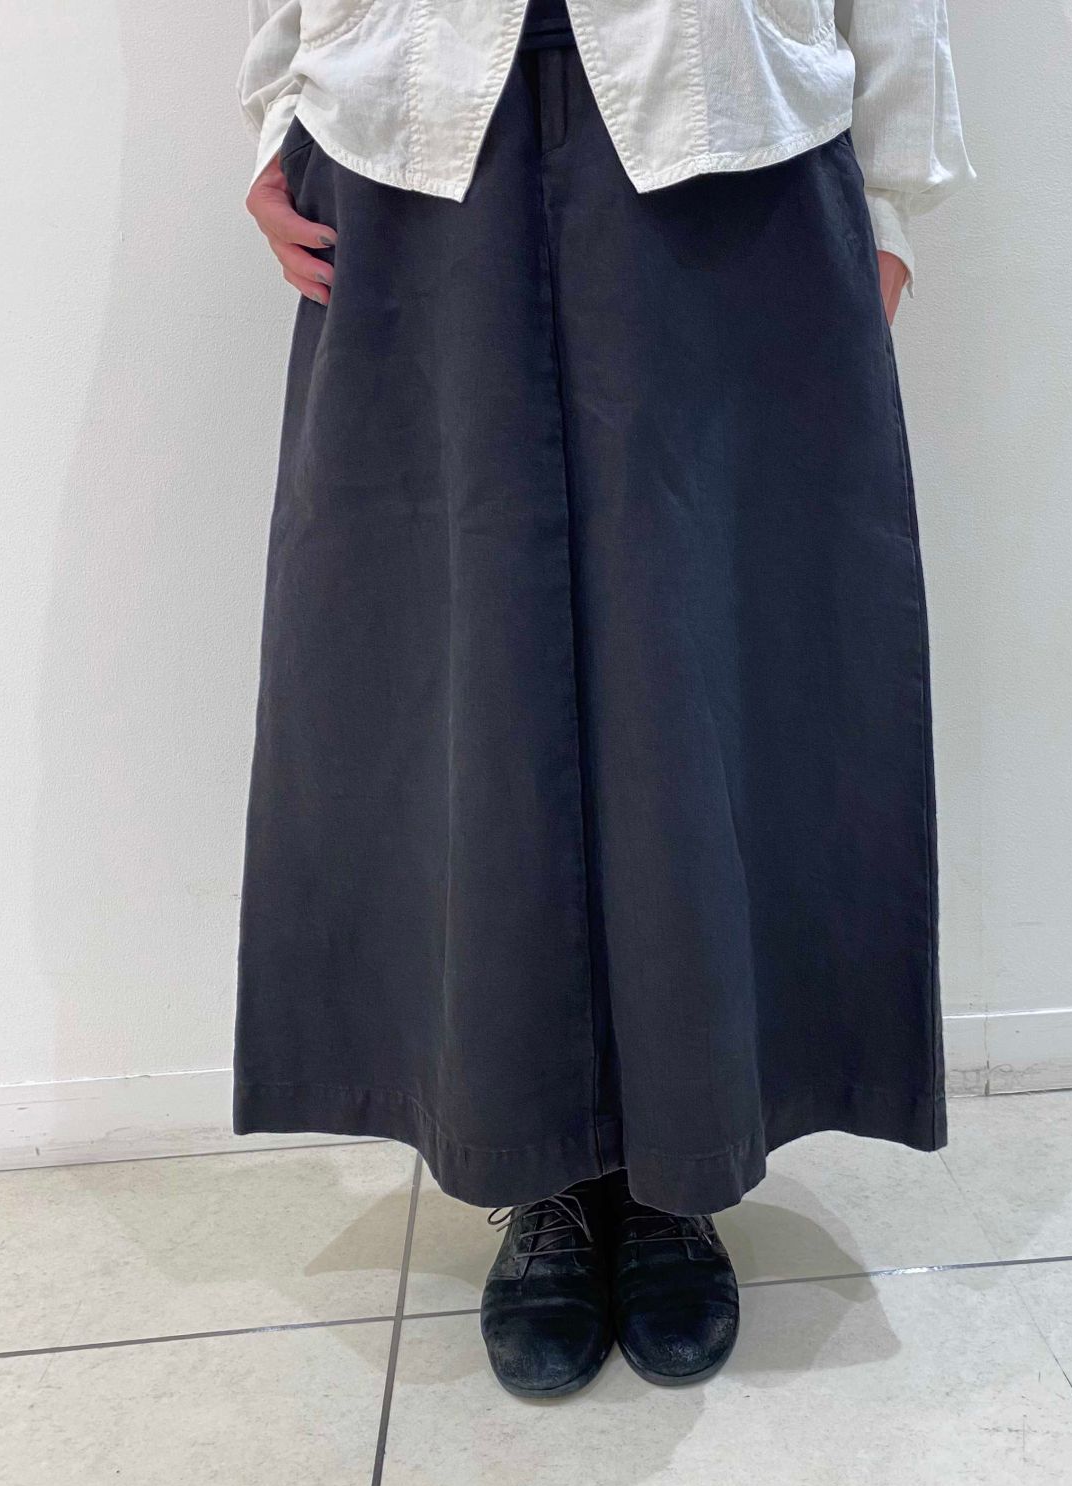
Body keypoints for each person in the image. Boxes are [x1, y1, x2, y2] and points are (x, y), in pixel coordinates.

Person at [233, 0, 973, 1398]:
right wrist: (280, 107)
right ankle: (539, 1166)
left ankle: (677, 1164)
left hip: (733, 136)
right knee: (455, 671)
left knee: (711, 661)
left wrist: (891, 193)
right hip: (415, 136)